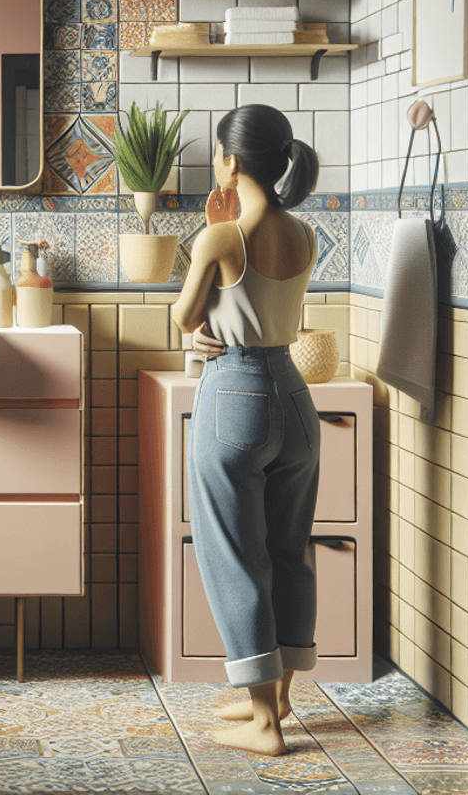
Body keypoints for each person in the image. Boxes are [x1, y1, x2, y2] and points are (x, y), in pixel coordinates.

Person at [173, 104, 322, 757]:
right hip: (294, 394)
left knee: (234, 557)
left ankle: (264, 723)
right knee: (290, 550)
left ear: (230, 162)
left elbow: (184, 319)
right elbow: (270, 304)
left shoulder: (221, 237)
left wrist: (212, 235)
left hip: (235, 394)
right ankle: (280, 698)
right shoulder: (306, 234)